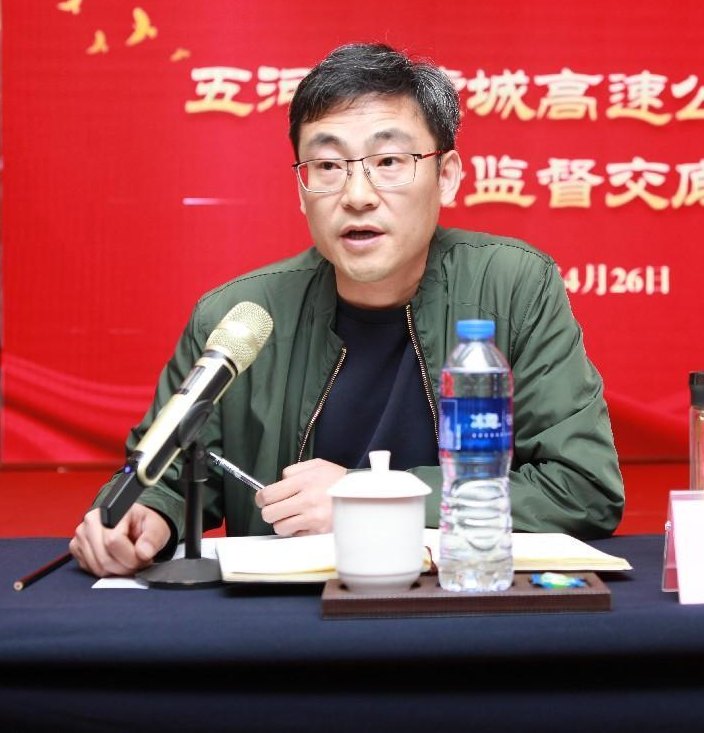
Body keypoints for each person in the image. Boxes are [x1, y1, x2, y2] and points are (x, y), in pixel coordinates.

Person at [70, 43, 625, 578]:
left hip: (462, 600)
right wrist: (145, 517)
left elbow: (582, 488)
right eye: (328, 165)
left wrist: (371, 498)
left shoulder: (513, 287)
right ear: (301, 188)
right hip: (285, 623)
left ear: (447, 176)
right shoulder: (239, 316)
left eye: (389, 161)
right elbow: (163, 478)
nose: (357, 195)